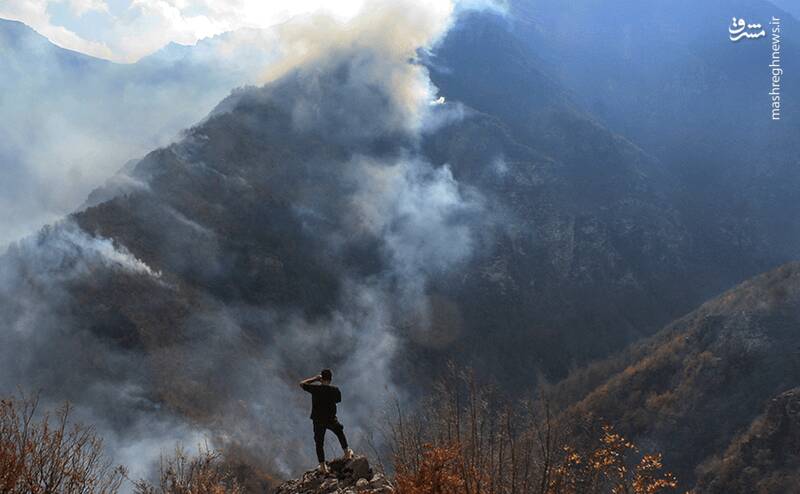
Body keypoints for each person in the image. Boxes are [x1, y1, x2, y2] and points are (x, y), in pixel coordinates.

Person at [299, 369, 354, 473]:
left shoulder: (315, 389)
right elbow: (338, 400)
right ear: (330, 379)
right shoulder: (335, 390)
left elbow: (302, 384)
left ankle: (323, 467)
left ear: (321, 379)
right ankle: (347, 453)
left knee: (319, 443)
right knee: (339, 432)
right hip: (331, 419)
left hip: (318, 420)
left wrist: (315, 378)